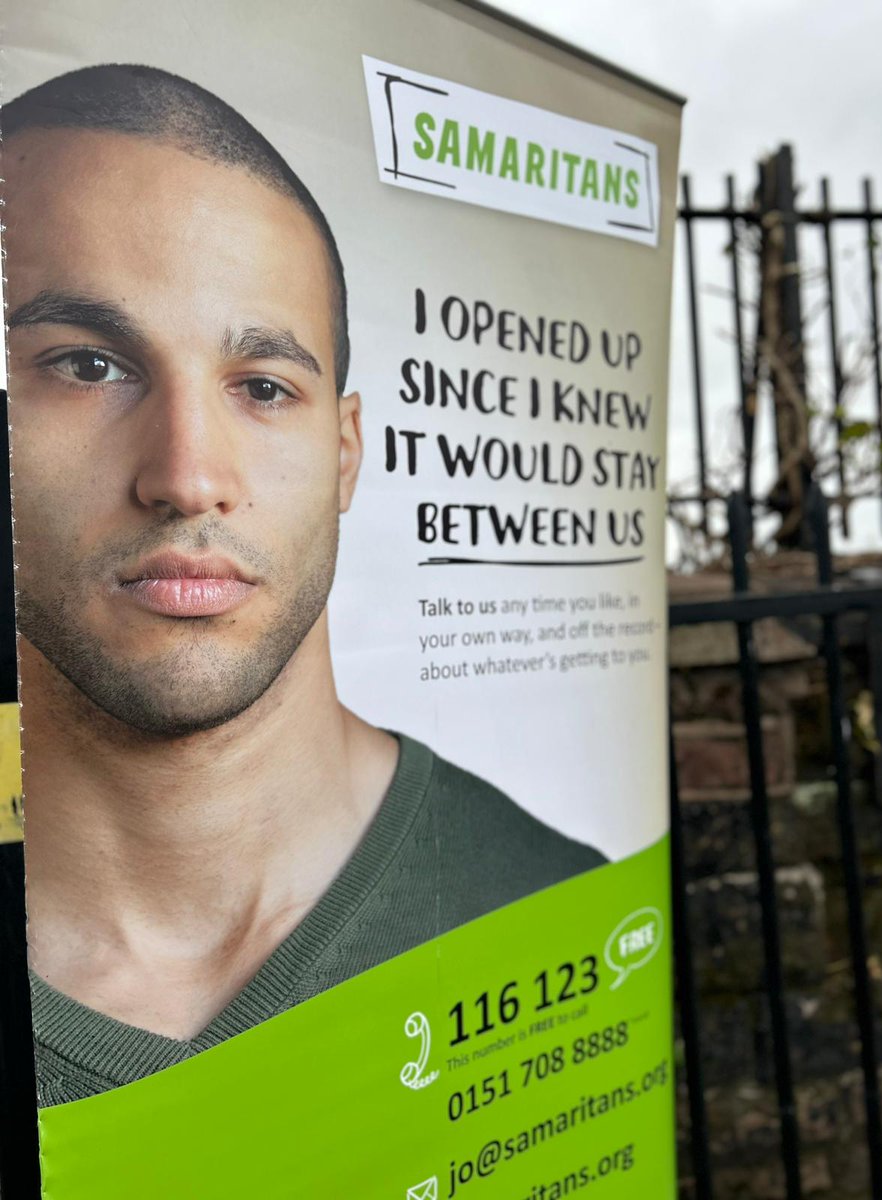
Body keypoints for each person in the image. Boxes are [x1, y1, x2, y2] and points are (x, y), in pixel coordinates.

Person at [3, 64, 604, 1107]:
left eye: (264, 387)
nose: (188, 476)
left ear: (344, 453)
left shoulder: (554, 900)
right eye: (88, 365)